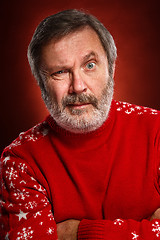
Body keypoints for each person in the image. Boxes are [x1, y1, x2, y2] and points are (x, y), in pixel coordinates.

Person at [1, 9, 160, 240]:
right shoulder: (20, 161)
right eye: (60, 72)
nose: (78, 86)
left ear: (112, 68)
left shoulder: (156, 130)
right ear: (41, 83)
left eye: (90, 65)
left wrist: (78, 233)